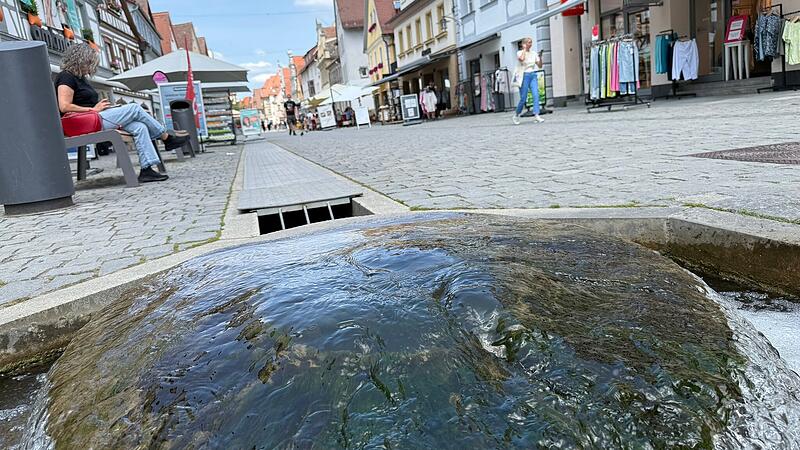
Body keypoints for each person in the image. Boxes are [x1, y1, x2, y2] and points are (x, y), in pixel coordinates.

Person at [55, 44, 188, 183]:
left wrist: (103, 108)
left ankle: (147, 170)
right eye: (89, 63)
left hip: (93, 118)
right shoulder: (66, 77)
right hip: (82, 122)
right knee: (134, 108)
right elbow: (64, 106)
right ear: (80, 60)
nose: (90, 68)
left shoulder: (80, 78)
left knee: (139, 127)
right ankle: (166, 137)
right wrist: (93, 110)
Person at [512, 37, 544, 125]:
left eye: (531, 42)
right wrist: (524, 49)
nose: (530, 44)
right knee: (523, 98)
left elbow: (540, 65)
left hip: (533, 74)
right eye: (529, 42)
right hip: (524, 75)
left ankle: (536, 114)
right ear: (524, 44)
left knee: (536, 94)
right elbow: (521, 59)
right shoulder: (519, 52)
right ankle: (516, 114)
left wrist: (540, 57)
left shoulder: (533, 53)